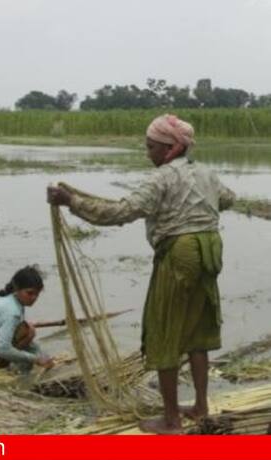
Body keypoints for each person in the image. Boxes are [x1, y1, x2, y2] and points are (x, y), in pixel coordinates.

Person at [47, 113, 236, 434]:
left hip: (181, 255)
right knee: (197, 333)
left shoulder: (161, 179)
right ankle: (201, 406)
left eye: (151, 147)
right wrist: (194, 209)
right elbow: (228, 199)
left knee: (164, 332)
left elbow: (120, 213)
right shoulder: (205, 172)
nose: (147, 152)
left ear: (170, 149)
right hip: (209, 252)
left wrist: (71, 201)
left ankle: (172, 419)